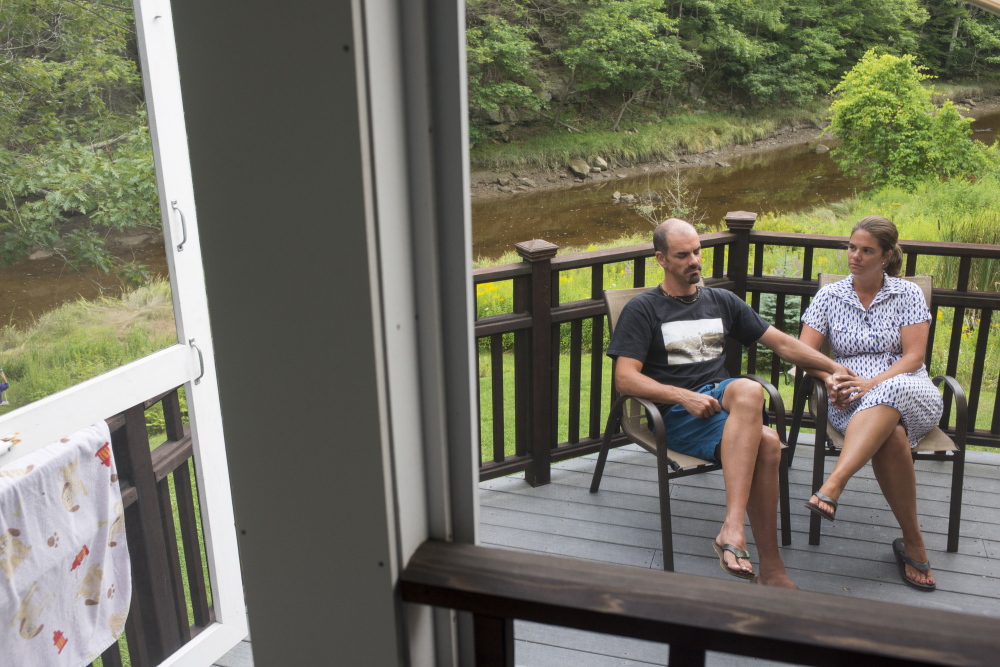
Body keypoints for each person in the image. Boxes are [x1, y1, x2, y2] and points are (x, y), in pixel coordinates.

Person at [608, 219, 846, 587]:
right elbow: (625, 378)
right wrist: (683, 396)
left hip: (724, 401)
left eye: (697, 252)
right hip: (677, 414)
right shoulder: (644, 309)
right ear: (661, 259)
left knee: (749, 390)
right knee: (767, 444)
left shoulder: (720, 300)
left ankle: (733, 528)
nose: (694, 261)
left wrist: (834, 370)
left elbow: (782, 344)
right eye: (682, 255)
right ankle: (772, 569)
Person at [800, 215, 942, 592]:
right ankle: (913, 542)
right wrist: (829, 379)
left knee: (890, 392)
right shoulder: (829, 296)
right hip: (848, 399)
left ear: (886, 256)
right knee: (891, 437)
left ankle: (833, 485)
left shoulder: (907, 294)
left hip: (910, 388)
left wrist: (870, 384)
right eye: (852, 248)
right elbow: (804, 353)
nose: (855, 256)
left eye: (866, 250)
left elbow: (913, 358)